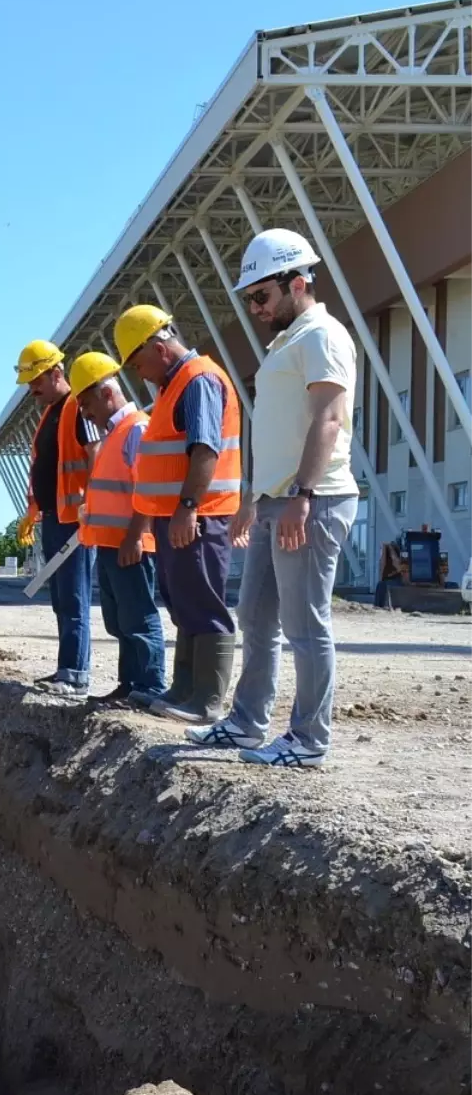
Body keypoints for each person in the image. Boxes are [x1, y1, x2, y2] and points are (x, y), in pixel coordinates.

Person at [184, 228, 359, 769]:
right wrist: (256, 498)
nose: (255, 308)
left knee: (306, 625)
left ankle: (308, 740)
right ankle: (246, 724)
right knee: (256, 616)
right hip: (276, 501)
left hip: (313, 500)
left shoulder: (322, 336)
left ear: (297, 282)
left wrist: (302, 496)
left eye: (261, 296)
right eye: (250, 299)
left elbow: (328, 419)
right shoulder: (288, 341)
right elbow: (282, 430)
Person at [112, 304, 242, 724]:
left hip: (197, 516)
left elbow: (205, 449)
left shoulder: (198, 379)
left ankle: (206, 700)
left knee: (203, 603)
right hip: (177, 517)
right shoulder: (174, 386)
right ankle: (185, 690)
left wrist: (188, 507)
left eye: (138, 361)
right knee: (184, 603)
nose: (138, 373)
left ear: (160, 347)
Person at [69, 351, 166, 706]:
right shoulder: (113, 434)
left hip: (130, 543)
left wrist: (134, 536)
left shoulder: (136, 429)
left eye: (87, 404)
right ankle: (130, 684)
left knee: (138, 617)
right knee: (120, 619)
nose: (85, 414)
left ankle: (150, 688)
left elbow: (148, 488)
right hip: (111, 544)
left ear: (107, 393)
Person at [14, 339, 101, 697]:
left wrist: (93, 507)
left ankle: (76, 674)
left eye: (36, 380)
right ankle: (67, 668)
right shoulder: (51, 413)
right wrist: (34, 510)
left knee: (74, 596)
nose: (32, 389)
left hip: (75, 520)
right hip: (55, 517)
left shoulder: (78, 407)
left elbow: (97, 455)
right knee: (62, 599)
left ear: (55, 372)